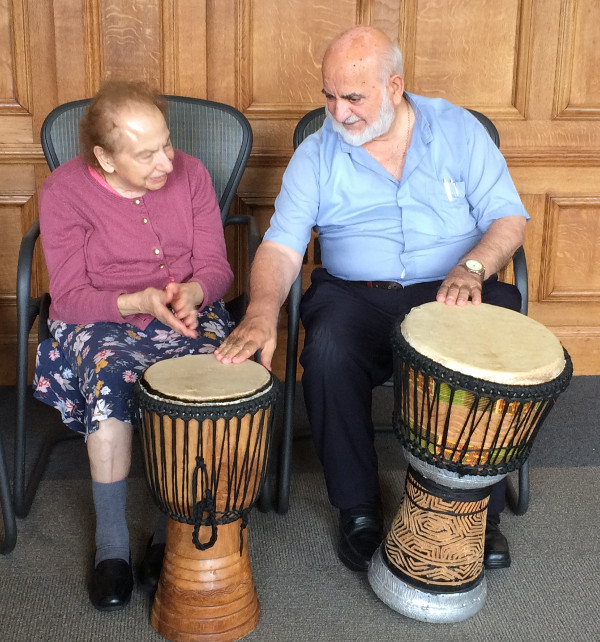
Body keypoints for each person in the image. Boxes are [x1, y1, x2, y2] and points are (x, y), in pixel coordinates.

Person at [215, 26, 528, 573]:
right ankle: (357, 508)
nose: (338, 113)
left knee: (492, 350)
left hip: (454, 286)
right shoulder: (317, 154)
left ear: (395, 86)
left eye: (353, 97)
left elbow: (508, 218)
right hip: (356, 295)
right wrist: (262, 313)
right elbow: (283, 246)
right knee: (329, 349)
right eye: (329, 97)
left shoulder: (458, 129)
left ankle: (479, 511)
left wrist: (472, 266)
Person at [33, 80, 234, 610]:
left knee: (205, 382)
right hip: (101, 317)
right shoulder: (63, 191)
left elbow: (216, 267)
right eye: (145, 154)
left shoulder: (191, 175)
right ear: (103, 157)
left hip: (185, 315)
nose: (166, 161)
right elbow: (70, 296)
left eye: (166, 143)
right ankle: (113, 547)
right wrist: (138, 300)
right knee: (110, 381)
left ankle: (179, 527)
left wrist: (194, 290)